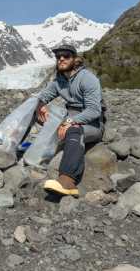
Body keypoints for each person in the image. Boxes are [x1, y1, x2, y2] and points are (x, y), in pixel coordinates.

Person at [37, 43, 104, 197]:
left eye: (66, 56)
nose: (61, 59)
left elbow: (94, 110)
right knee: (39, 114)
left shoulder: (88, 79)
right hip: (70, 118)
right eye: (58, 56)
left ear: (75, 59)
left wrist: (70, 122)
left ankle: (67, 181)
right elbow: (44, 96)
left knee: (74, 131)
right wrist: (40, 105)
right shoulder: (59, 81)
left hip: (92, 124)